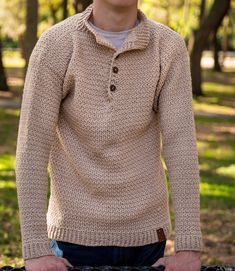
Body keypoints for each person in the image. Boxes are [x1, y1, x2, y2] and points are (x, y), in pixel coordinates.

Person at [15, 0, 203, 271]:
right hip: (72, 242)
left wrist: (188, 246)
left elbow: (181, 145)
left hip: (149, 240)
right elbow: (31, 150)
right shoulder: (55, 45)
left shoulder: (168, 46)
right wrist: (35, 250)